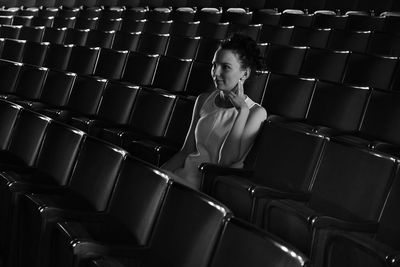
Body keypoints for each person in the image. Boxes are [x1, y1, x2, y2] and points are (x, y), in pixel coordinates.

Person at [161, 33, 267, 190]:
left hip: (207, 187)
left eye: (225, 67)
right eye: (214, 65)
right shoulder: (203, 100)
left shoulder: (255, 113)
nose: (216, 73)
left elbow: (226, 162)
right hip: (180, 178)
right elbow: (186, 152)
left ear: (245, 73)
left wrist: (242, 111)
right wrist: (159, 175)